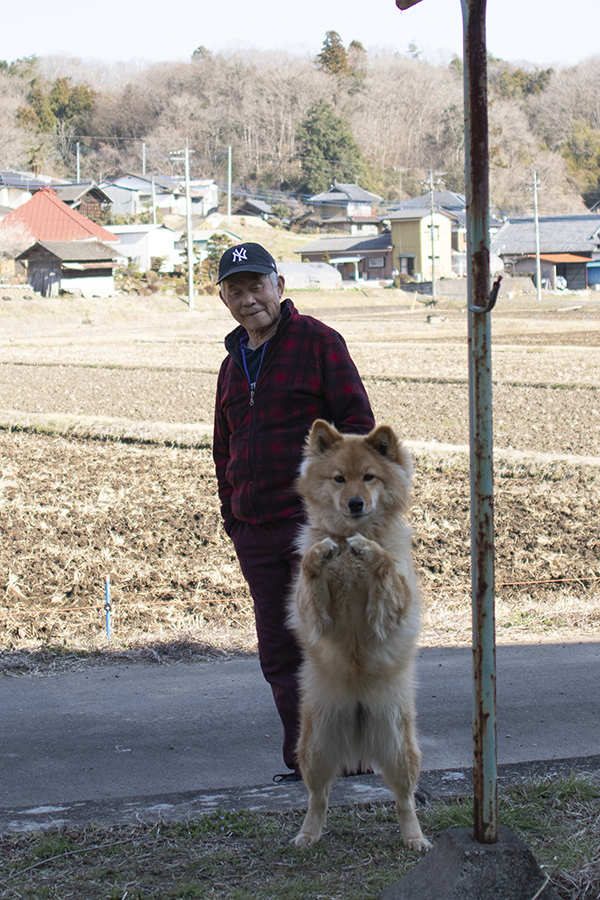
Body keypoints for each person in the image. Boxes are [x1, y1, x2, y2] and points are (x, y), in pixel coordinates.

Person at [213, 242, 375, 778]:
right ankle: (310, 761)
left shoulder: (318, 342)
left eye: (256, 286)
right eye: (236, 291)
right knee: (281, 654)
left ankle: (355, 759)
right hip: (255, 531)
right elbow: (223, 449)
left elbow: (357, 429)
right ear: (224, 299)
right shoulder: (232, 365)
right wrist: (234, 519)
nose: (248, 299)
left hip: (315, 529)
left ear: (278, 286)